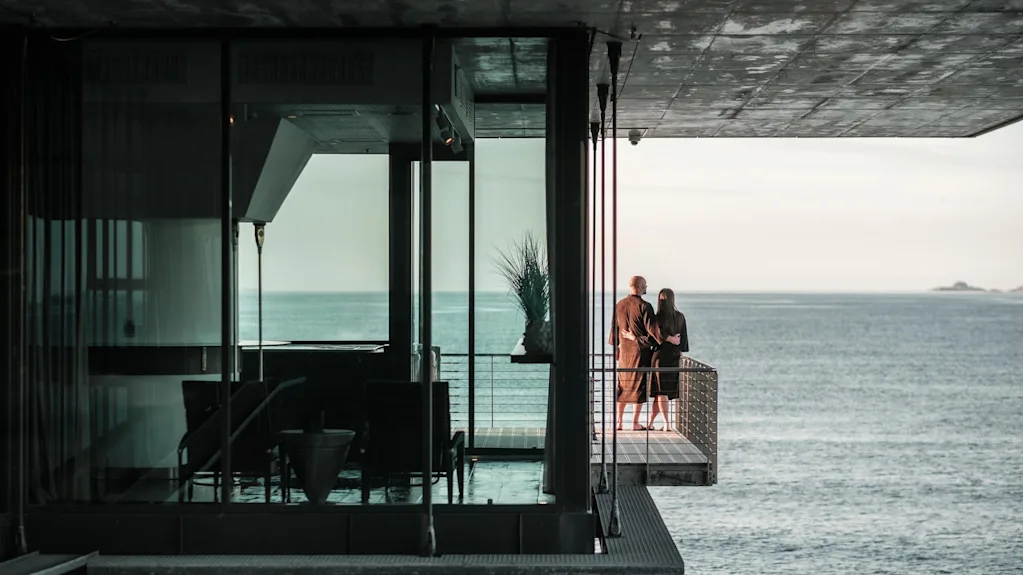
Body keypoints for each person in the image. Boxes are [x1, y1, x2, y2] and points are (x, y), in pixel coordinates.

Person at [608, 276, 667, 431]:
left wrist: (617, 348)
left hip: (624, 354)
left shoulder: (619, 305)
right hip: (640, 354)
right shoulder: (645, 306)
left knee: (622, 387)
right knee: (638, 388)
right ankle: (635, 422)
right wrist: (665, 339)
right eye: (645, 284)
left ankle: (619, 422)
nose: (646, 286)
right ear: (640, 286)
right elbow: (654, 334)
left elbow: (614, 332)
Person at [622, 288, 686, 430]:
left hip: (659, 357)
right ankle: (652, 423)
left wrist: (634, 338)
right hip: (674, 357)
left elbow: (653, 338)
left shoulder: (657, 318)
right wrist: (677, 347)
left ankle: (666, 424)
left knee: (661, 392)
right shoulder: (680, 317)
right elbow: (683, 340)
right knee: (660, 392)